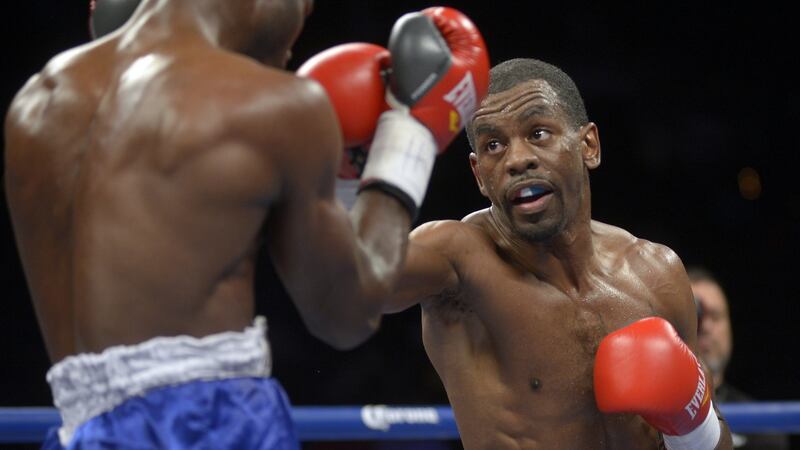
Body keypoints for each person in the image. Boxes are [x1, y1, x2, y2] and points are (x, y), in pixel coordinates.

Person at [3, 0, 488, 448]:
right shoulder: (270, 104)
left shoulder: (35, 103)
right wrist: (412, 133)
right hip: (206, 427)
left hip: (79, 432)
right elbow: (346, 312)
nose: (296, 37)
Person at [368, 58, 734, 449]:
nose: (516, 159)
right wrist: (400, 138)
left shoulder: (656, 273)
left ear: (588, 145)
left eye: (538, 133)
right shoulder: (459, 260)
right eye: (494, 145)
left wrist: (692, 424)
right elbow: (352, 287)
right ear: (478, 175)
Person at [689, 267, 789, 449]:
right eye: (696, 315)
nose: (705, 327)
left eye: (716, 316)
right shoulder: (644, 421)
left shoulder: (763, 428)